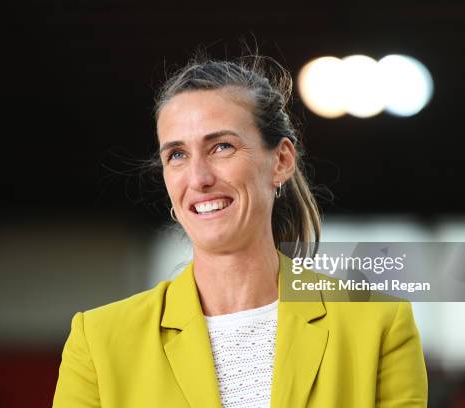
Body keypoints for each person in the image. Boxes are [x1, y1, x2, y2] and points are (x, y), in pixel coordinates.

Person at [52, 53, 428, 408]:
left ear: (281, 161)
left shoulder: (379, 324)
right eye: (177, 155)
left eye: (221, 147)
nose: (199, 178)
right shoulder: (98, 340)